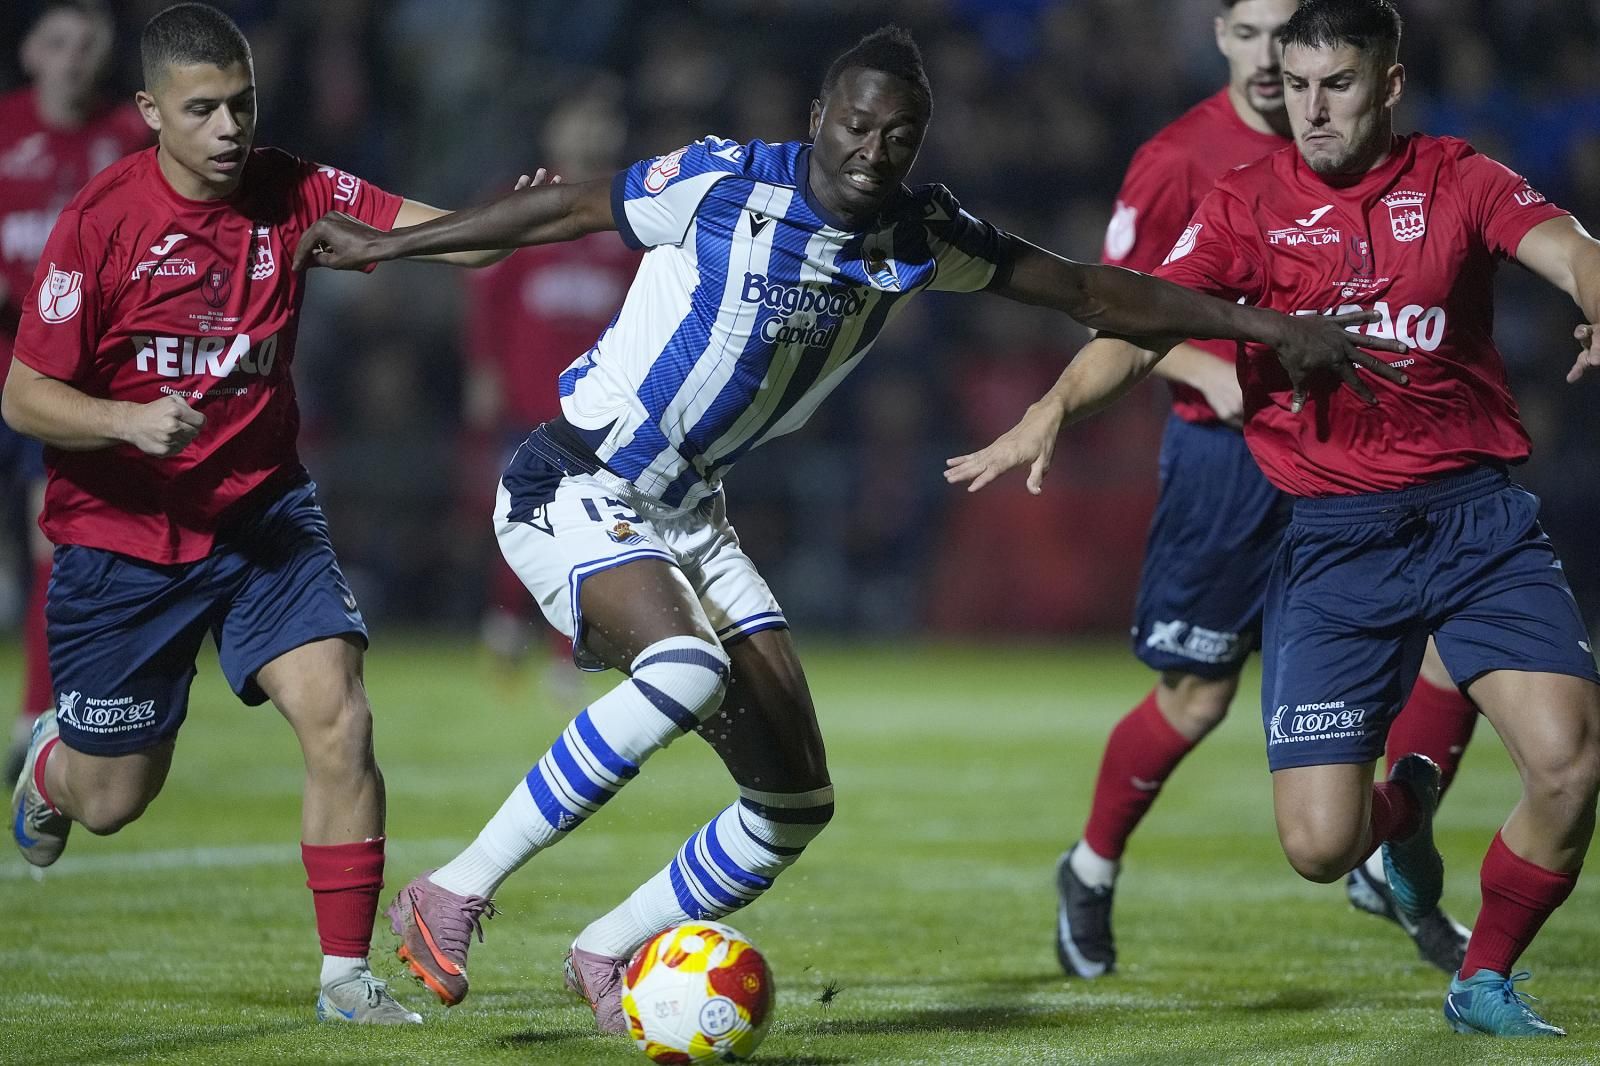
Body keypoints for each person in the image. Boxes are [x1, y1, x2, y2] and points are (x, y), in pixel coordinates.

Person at [295, 25, 1403, 1033]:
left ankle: (607, 948)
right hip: (579, 478)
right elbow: (567, 209)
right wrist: (396, 245)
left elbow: (1091, 292)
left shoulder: (922, 233)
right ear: (819, 116)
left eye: (899, 134)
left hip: (693, 513)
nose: (874, 150)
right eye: (858, 125)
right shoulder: (726, 181)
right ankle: (452, 890)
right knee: (684, 670)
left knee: (792, 806)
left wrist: (1263, 324)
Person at [948, 0, 1600, 1038]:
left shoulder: (1458, 177)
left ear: (1389, 83)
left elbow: (1571, 248)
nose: (1311, 108)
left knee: (1569, 765)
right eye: (1298, 87)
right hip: (1333, 538)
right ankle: (1405, 812)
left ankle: (1483, 980)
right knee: (1317, 846)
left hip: (1474, 519)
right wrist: (1055, 405)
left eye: (1336, 84)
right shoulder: (1242, 203)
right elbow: (1139, 319)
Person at [3, 2, 539, 1025]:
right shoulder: (99, 222)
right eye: (201, 109)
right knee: (112, 801)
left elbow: (453, 245)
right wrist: (124, 420)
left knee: (340, 713)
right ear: (149, 111)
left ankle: (345, 977)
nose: (227, 128)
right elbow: (25, 395)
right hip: (123, 539)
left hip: (263, 519)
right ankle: (52, 770)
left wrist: (509, 216)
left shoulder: (297, 190)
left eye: (241, 105)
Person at [1054, 0, 1473, 982]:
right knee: (1197, 696)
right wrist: (1209, 372)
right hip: (1226, 466)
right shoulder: (1176, 160)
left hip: (1350, 457)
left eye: (1282, 39)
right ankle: (1090, 866)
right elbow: (1117, 314)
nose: (1263, 59)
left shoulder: (1367, 149)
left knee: (1447, 651)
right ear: (1220, 35)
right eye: (1247, 35)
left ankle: (1382, 851)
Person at [0, 0, 150, 788]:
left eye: (88, 44)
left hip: (56, 381)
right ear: (30, 52)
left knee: (47, 544)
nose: (73, 57)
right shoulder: (4, 132)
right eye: (58, 42)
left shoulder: (126, 140)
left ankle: (33, 720)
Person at [458, 83, 639, 693]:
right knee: (522, 516)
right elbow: (486, 292)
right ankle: (508, 619)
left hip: (600, 406)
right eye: (579, 118)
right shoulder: (524, 204)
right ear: (552, 130)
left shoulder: (633, 208)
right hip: (527, 400)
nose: (592, 132)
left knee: (592, 526)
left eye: (603, 120)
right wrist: (484, 368)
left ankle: (569, 652)